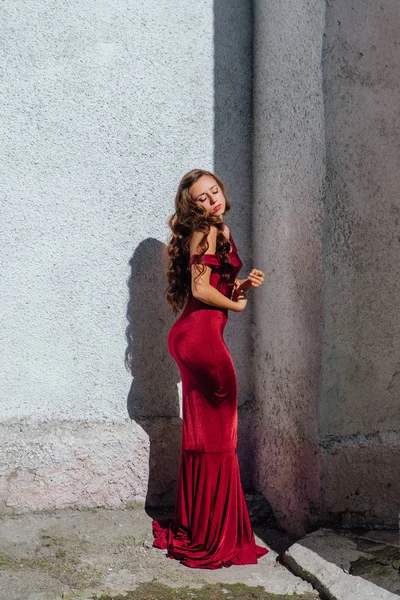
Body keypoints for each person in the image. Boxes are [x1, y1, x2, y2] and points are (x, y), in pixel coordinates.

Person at [152, 168, 268, 569]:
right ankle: (216, 535)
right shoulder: (208, 231)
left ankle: (199, 524)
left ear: (222, 190)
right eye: (202, 197)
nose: (211, 200)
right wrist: (237, 305)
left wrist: (241, 289)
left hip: (190, 336)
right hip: (202, 341)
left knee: (202, 437)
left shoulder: (220, 230)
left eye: (214, 191)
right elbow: (202, 291)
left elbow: (213, 289)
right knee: (220, 437)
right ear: (192, 206)